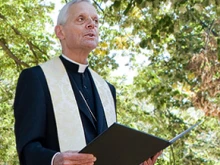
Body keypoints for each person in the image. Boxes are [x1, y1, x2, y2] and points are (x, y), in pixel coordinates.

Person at [13, 0, 161, 165]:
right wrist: (54, 160)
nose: (92, 24)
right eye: (81, 19)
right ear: (60, 32)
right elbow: (27, 149)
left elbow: (110, 152)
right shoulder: (36, 78)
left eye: (96, 20)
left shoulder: (107, 89)